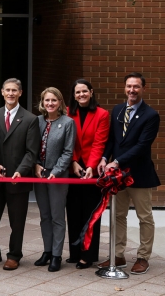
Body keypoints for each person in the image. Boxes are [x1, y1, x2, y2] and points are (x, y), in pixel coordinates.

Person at [98, 72, 160, 275]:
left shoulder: (151, 115)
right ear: (125, 88)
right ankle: (118, 255)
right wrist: (104, 158)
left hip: (139, 174)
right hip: (118, 177)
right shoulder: (117, 110)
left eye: (136, 86)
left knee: (144, 217)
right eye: (129, 86)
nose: (132, 90)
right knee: (118, 215)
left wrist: (116, 161)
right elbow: (112, 139)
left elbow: (142, 146)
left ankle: (143, 257)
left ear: (143, 88)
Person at [0, 78, 41, 271]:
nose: (11, 93)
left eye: (14, 90)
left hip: (18, 179)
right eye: (8, 90)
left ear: (20, 93)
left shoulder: (30, 119)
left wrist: (20, 171)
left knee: (17, 221)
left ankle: (14, 255)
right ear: (2, 92)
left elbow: (32, 152)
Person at [65, 79, 109, 269]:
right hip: (72, 168)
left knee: (90, 213)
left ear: (91, 92)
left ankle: (88, 254)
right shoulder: (67, 112)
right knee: (73, 211)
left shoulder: (102, 114)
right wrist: (73, 161)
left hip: (93, 170)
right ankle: (75, 253)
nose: (81, 95)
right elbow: (67, 141)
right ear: (73, 95)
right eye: (77, 92)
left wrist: (90, 166)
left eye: (84, 91)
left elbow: (100, 142)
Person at [32, 87, 74, 272]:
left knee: (57, 216)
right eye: (47, 100)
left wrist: (56, 171)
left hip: (58, 174)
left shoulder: (68, 122)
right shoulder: (37, 121)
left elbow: (68, 151)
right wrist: (35, 164)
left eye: (54, 100)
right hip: (39, 173)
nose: (50, 103)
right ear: (42, 102)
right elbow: (31, 146)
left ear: (60, 102)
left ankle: (57, 255)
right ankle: (47, 251)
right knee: (45, 215)